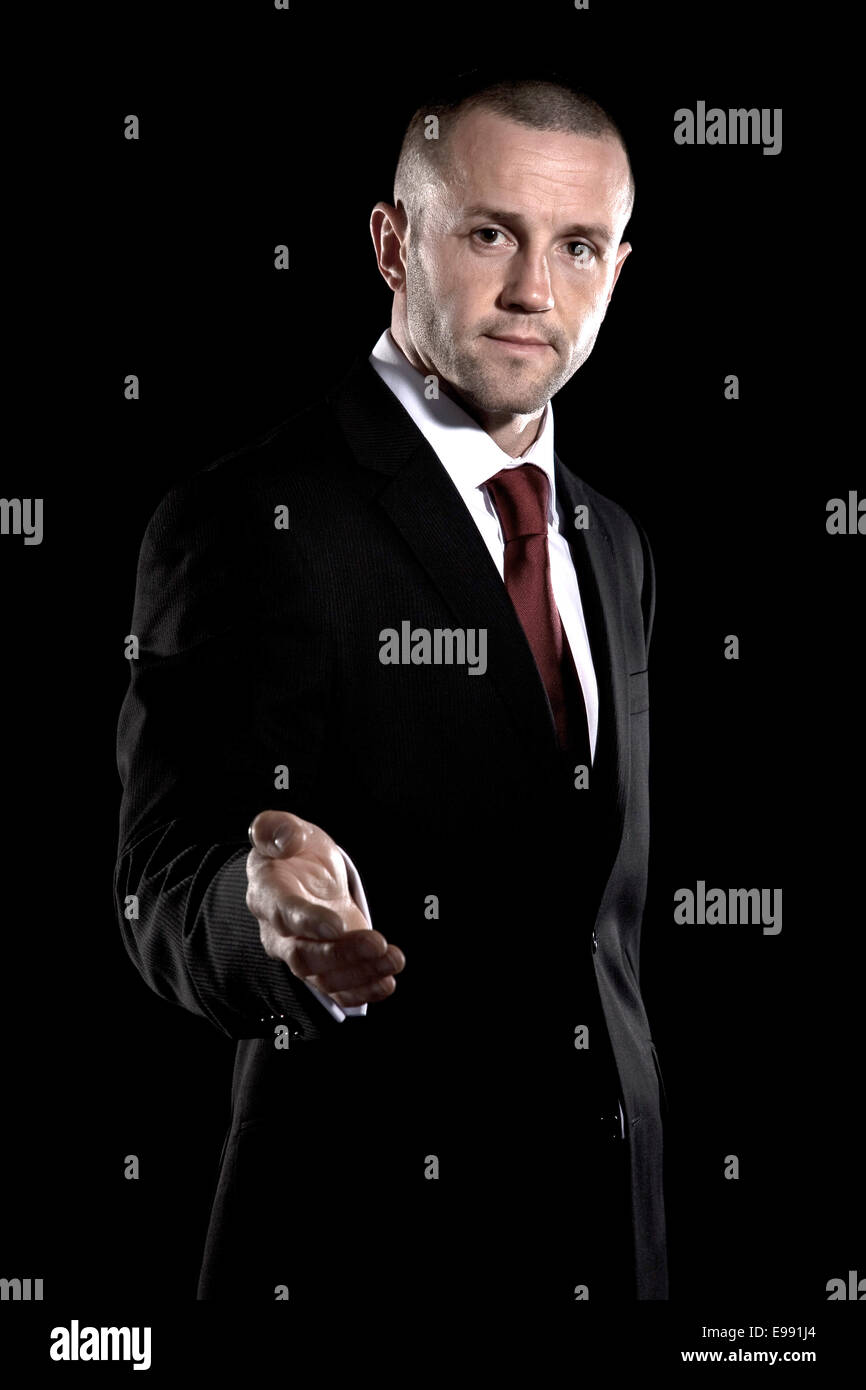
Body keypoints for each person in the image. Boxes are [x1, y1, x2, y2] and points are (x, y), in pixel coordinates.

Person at [115, 69, 668, 1309]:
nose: (534, 289)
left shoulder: (613, 542)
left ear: (616, 274)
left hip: (611, 1243)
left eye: (576, 246)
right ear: (391, 240)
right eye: (488, 234)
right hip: (358, 1252)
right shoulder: (244, 520)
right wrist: (262, 924)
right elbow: (158, 879)